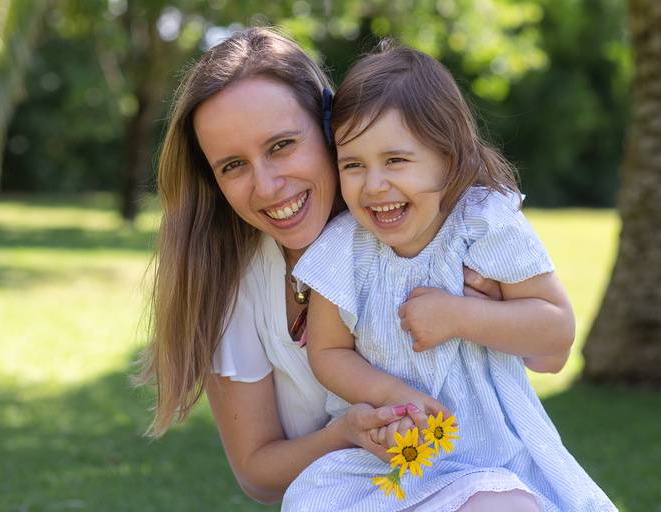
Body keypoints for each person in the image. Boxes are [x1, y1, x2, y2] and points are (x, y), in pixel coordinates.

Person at [136, 27, 567, 505]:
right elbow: (258, 475)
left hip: (482, 468)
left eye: (281, 145)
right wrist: (345, 433)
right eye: (233, 165)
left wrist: (475, 314)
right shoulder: (235, 283)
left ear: (329, 129)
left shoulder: (436, 232)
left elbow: (550, 355)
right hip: (366, 484)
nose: (267, 186)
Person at [283, 44, 617, 511]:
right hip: (392, 455)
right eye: (353, 165)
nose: (374, 184)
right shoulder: (343, 247)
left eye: (396, 160)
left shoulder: (481, 223)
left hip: (492, 454)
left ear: (449, 157)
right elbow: (328, 352)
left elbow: (555, 329)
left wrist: (460, 316)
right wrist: (394, 397)